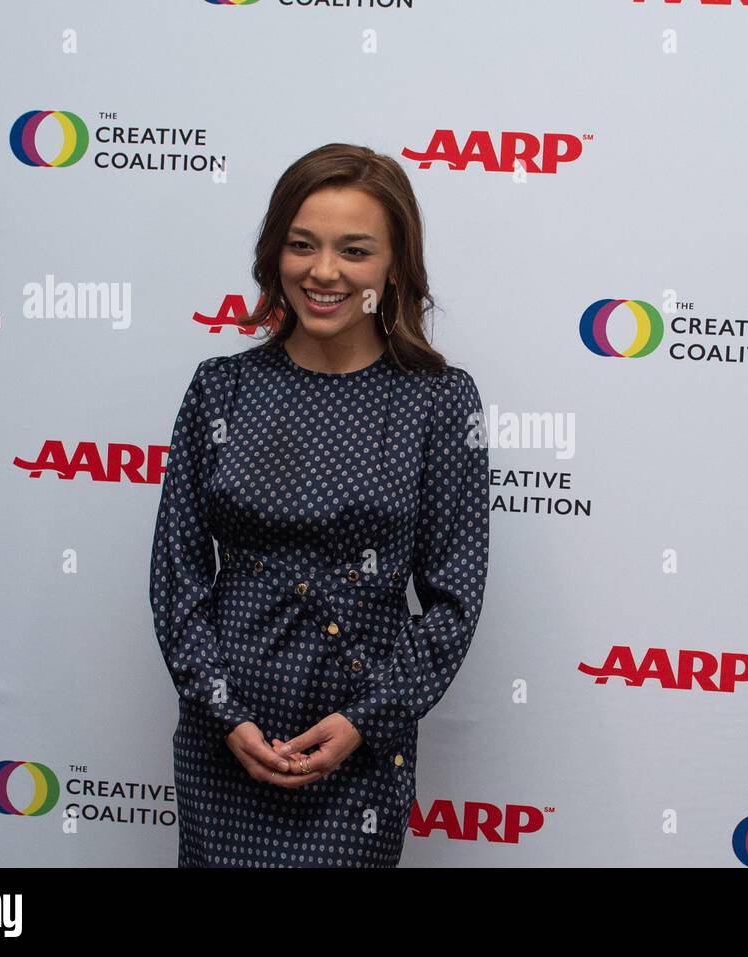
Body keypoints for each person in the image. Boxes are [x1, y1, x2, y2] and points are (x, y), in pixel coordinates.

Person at [148, 143, 490, 867]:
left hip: (359, 744)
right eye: (301, 245)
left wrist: (368, 719)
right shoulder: (221, 389)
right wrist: (222, 712)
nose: (324, 271)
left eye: (354, 250)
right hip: (225, 740)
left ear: (395, 265)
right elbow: (176, 576)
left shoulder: (437, 401)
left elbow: (455, 596)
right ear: (275, 252)